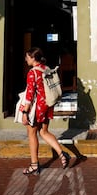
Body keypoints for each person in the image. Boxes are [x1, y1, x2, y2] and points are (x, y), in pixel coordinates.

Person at [19, 47, 71, 175]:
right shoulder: (46, 68)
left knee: (32, 134)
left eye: (27, 57)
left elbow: (29, 95)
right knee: (44, 131)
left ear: (33, 58)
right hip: (47, 105)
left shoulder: (32, 73)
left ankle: (34, 165)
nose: (26, 59)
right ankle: (61, 153)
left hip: (37, 108)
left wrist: (25, 112)